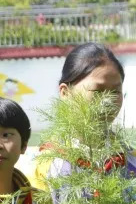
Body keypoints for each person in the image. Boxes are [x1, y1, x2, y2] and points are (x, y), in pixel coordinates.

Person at [31, 42, 135, 188]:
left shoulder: (130, 158)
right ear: (65, 93)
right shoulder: (50, 163)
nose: (107, 101)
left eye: (115, 92)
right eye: (98, 91)